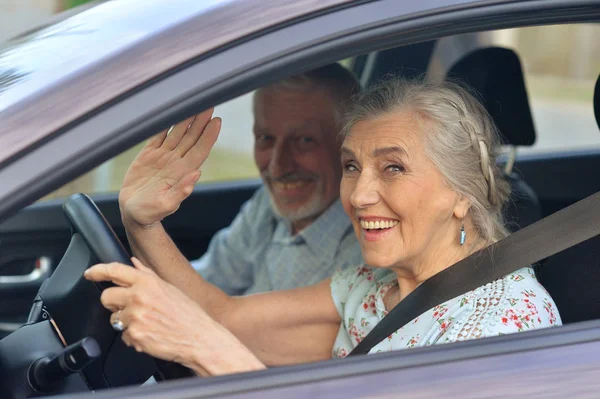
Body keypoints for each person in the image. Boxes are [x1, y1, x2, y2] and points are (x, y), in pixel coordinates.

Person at [85, 78, 561, 377]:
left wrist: (205, 349)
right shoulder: (371, 288)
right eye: (352, 166)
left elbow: (212, 333)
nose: (358, 195)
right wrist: (141, 221)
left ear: (461, 193)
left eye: (392, 168)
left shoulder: (502, 325)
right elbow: (224, 318)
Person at [119, 64, 363, 295]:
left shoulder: (366, 247)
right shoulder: (266, 207)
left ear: (349, 147)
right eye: (266, 138)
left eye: (304, 141)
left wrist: (143, 226)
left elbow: (228, 317)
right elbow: (206, 281)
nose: (278, 165)